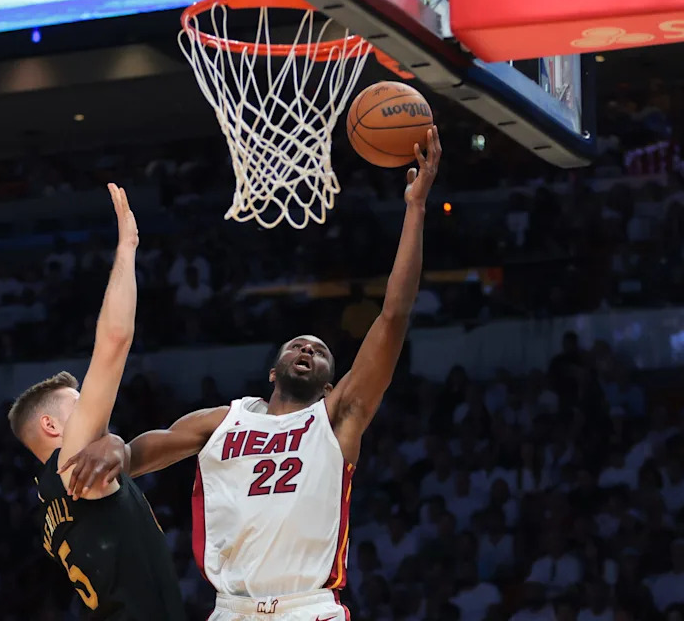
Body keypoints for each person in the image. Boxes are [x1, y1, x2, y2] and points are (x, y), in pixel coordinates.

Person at [62, 128, 442, 620]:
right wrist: (117, 448)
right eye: (297, 345)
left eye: (320, 351)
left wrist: (415, 210)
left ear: (330, 383)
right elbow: (140, 452)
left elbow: (393, 315)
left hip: (309, 609)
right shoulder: (225, 421)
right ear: (272, 370)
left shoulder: (337, 416)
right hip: (231, 610)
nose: (307, 348)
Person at [6, 183, 186, 620]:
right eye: (78, 403)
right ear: (52, 427)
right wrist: (127, 248)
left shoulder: (62, 494)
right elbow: (114, 342)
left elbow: (158, 447)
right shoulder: (72, 465)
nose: (92, 405)